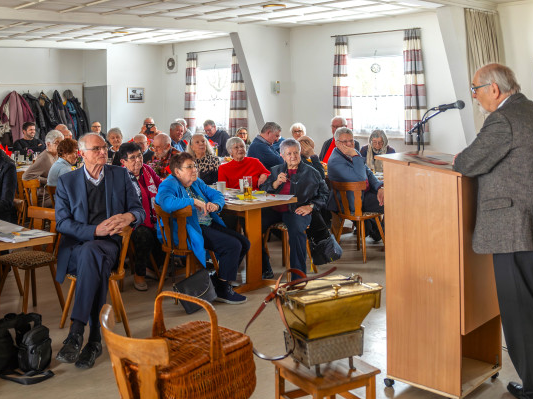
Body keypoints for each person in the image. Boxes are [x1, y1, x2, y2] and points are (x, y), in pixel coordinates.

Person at [454, 63, 533, 399]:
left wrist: (459, 159)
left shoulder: (503, 120)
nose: (474, 96)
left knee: (521, 320)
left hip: (517, 232)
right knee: (529, 315)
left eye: (475, 89)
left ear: (493, 89)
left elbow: (468, 162)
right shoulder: (530, 111)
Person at [53, 133, 144, 369]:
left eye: (104, 147)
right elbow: (62, 223)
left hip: (109, 245)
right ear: (81, 154)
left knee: (93, 254)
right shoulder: (67, 181)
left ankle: (76, 332)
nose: (103, 152)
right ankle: (94, 339)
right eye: (97, 149)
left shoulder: (120, 175)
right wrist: (94, 230)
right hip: (77, 248)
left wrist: (129, 216)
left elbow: (139, 210)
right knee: (91, 257)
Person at [156, 152, 249, 303]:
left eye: (195, 166)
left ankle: (219, 281)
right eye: (189, 167)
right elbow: (166, 203)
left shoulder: (196, 182)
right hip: (186, 231)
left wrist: (216, 204)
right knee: (232, 245)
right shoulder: (169, 183)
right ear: (177, 171)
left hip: (205, 224)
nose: (194, 169)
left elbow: (217, 194)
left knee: (244, 242)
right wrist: (193, 201)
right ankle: (223, 289)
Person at [260, 139, 330, 280]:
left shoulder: (312, 172)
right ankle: (263, 268)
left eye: (296, 153)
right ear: (282, 156)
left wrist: (311, 206)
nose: (293, 156)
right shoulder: (275, 170)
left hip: (297, 210)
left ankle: (298, 278)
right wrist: (275, 183)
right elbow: (263, 190)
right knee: (251, 227)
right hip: (274, 210)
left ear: (300, 153)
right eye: (289, 153)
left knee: (296, 232)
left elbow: (325, 194)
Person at [117, 142, 163, 291]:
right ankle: (139, 274)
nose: (138, 160)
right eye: (132, 158)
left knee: (167, 229)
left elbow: (161, 186)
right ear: (123, 161)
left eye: (139, 156)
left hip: (153, 217)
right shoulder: (120, 177)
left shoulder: (147, 170)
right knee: (144, 235)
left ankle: (151, 267)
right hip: (133, 222)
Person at [326, 127, 384, 241]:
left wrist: (379, 187)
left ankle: (378, 232)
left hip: (362, 195)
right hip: (352, 201)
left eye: (351, 140)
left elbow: (368, 172)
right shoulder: (335, 160)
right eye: (345, 141)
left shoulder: (353, 153)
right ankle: (384, 235)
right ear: (337, 143)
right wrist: (355, 155)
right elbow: (361, 178)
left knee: (388, 195)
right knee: (391, 202)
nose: (349, 144)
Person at [23, 130, 64, 207]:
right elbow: (25, 176)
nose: (61, 145)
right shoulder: (44, 158)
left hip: (53, 193)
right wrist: (46, 180)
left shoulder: (56, 155)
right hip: (44, 198)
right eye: (57, 143)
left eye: (62, 143)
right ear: (48, 144)